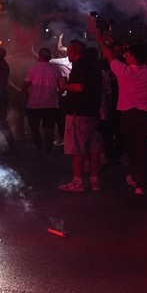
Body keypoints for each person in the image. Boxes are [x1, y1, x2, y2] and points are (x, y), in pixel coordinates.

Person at [94, 27, 147, 196]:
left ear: (133, 56)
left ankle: (136, 178)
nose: (125, 56)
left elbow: (108, 53)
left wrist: (98, 35)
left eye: (128, 54)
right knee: (144, 148)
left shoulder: (123, 70)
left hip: (128, 115)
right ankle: (141, 182)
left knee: (131, 148)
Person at [58, 40, 103, 192]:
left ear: (74, 51)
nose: (67, 54)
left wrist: (64, 86)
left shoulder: (80, 65)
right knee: (93, 148)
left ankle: (77, 182)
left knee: (77, 148)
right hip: (92, 112)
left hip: (79, 113)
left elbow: (79, 87)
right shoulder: (94, 66)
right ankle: (94, 180)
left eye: (69, 51)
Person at [21, 47, 61, 158]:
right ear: (50, 57)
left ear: (39, 56)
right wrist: (57, 94)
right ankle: (48, 151)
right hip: (51, 104)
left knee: (34, 128)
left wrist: (21, 98)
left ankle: (40, 149)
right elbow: (61, 86)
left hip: (34, 104)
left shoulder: (33, 69)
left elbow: (26, 86)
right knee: (49, 129)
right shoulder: (56, 69)